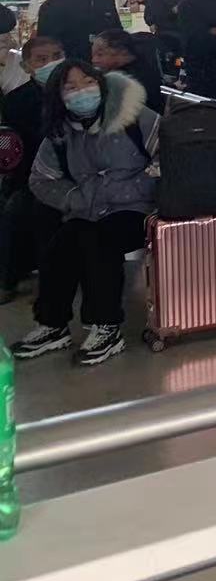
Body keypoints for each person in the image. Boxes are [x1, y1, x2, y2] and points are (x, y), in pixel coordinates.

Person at [9, 61, 158, 367]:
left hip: (138, 208)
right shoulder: (61, 133)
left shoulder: (133, 117)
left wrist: (140, 187)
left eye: (88, 82)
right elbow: (41, 179)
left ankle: (106, 326)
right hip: (88, 210)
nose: (82, 92)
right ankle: (53, 324)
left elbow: (168, 156)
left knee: (98, 241)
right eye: (71, 87)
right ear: (59, 96)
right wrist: (74, 199)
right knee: (60, 246)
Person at [0, 34, 63, 303]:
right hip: (31, 177)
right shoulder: (16, 101)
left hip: (79, 176)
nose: (51, 63)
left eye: (57, 56)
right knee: (15, 210)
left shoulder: (81, 92)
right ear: (26, 66)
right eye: (41, 59)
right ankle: (9, 279)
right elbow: (14, 149)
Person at [91, 28, 164, 113]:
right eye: (93, 55)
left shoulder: (129, 81)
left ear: (123, 52)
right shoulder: (142, 66)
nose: (94, 60)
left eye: (100, 54)